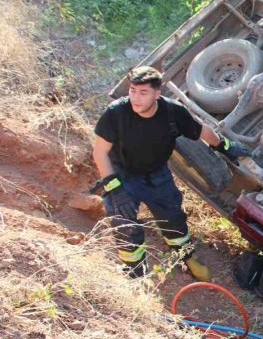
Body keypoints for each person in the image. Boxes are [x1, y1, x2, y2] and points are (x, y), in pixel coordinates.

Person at [92, 66, 250, 279]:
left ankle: (186, 257)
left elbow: (201, 130)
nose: (135, 98)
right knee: (124, 222)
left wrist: (225, 146)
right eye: (132, 90)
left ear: (157, 93)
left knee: (173, 219)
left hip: (157, 176)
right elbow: (100, 152)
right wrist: (115, 190)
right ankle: (135, 272)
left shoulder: (172, 112)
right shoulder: (116, 112)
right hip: (123, 175)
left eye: (143, 92)